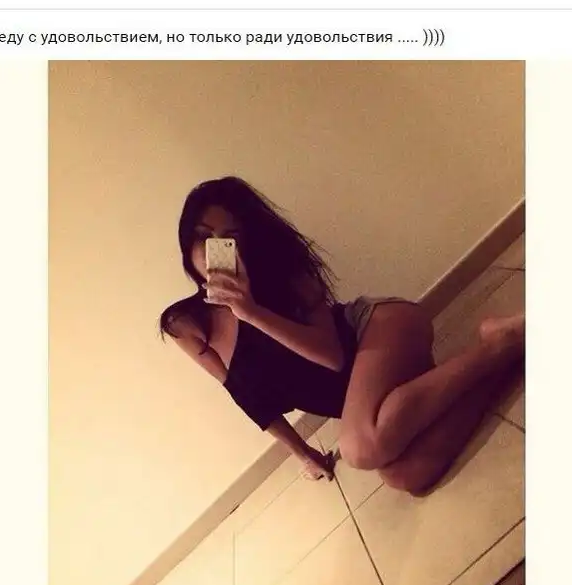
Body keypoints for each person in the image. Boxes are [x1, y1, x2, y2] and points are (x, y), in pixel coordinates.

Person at [160, 177, 524, 494]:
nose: (215, 250)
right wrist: (304, 454)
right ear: (186, 245)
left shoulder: (284, 271)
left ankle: (496, 346)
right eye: (203, 237)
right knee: (404, 475)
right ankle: (502, 351)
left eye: (230, 237)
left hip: (379, 330)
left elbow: (332, 357)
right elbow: (246, 397)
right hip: (367, 401)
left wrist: (251, 312)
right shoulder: (186, 324)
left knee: (360, 449)